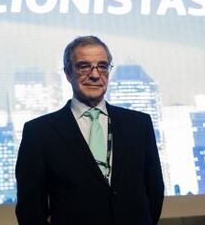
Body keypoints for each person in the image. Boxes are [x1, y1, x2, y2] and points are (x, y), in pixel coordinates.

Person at [15, 35, 165, 225]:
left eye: (102, 66)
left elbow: (154, 190)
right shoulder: (39, 132)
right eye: (84, 66)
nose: (95, 75)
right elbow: (30, 209)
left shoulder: (139, 124)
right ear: (68, 73)